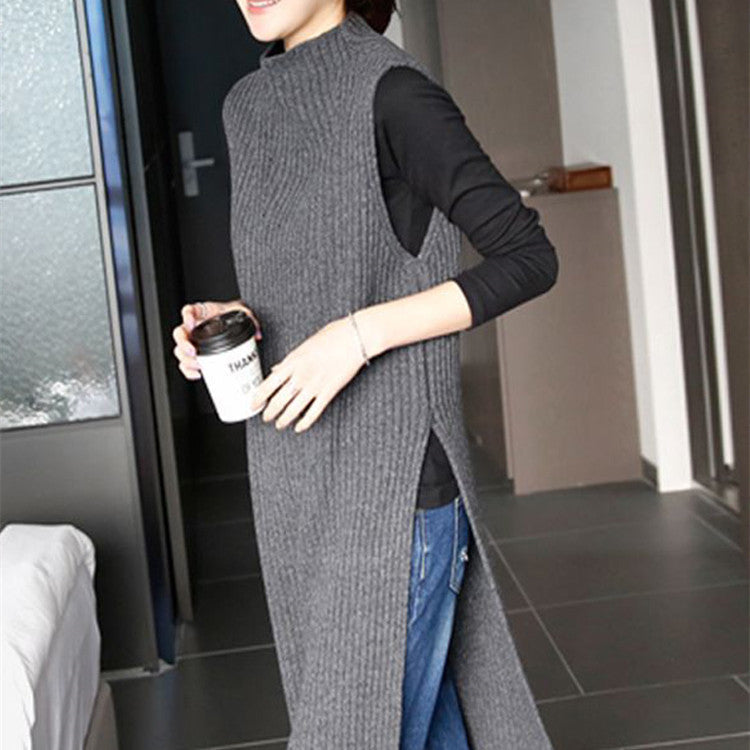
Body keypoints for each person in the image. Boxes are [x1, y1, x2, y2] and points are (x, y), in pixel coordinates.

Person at [172, 2, 557, 748]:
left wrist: (357, 337)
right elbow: (309, 280)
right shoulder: (246, 106)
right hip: (293, 477)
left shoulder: (393, 93)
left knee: (352, 732)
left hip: (393, 483)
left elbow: (529, 258)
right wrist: (234, 323)